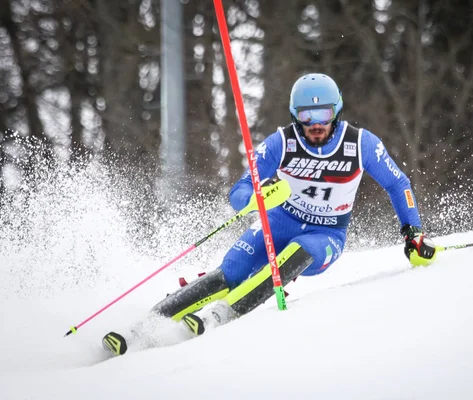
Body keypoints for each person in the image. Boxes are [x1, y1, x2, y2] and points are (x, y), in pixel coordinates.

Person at [102, 73, 438, 355]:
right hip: (278, 222)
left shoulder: (360, 143)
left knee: (298, 252)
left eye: (323, 116)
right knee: (230, 272)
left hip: (325, 235)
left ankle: (222, 314)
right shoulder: (282, 142)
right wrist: (252, 198)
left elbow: (399, 184)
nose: (315, 125)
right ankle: (143, 329)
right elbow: (239, 189)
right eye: (307, 117)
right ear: (295, 115)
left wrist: (413, 232)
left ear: (336, 112)